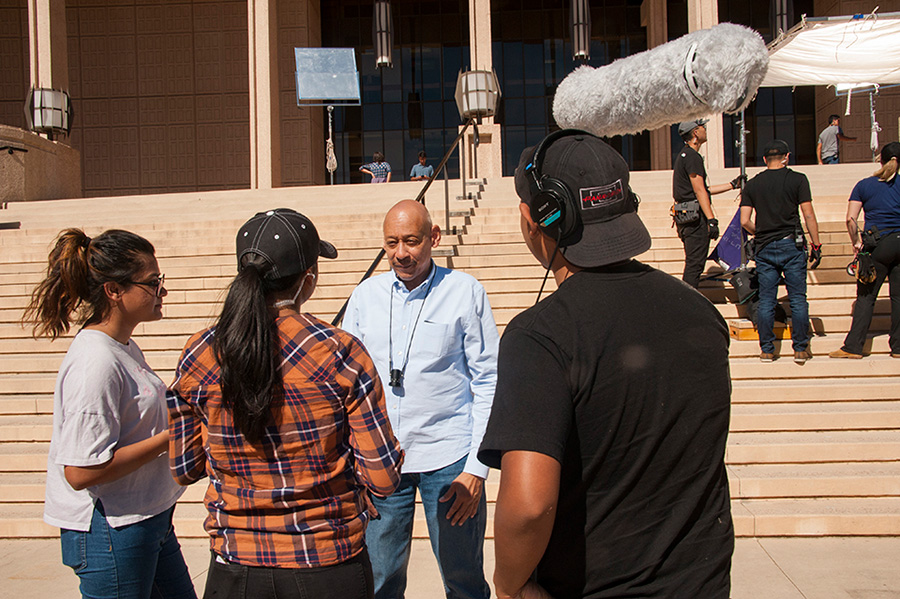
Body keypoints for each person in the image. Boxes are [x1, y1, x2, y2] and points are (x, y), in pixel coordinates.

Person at [478, 129, 734, 599]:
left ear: (537, 217)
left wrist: (509, 586)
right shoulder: (703, 313)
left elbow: (530, 506)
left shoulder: (541, 337)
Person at [167, 209, 403, 599]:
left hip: (235, 566)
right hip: (327, 562)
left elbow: (184, 467)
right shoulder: (340, 352)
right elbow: (383, 478)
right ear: (308, 279)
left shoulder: (200, 352)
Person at [23, 228, 195, 599]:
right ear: (114, 291)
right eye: (152, 283)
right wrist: (173, 437)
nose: (161, 291)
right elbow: (82, 471)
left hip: (148, 519)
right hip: (111, 531)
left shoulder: (123, 347)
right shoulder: (96, 362)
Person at [343, 200, 498, 599]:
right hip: (382, 465)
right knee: (379, 582)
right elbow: (347, 385)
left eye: (411, 241)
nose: (401, 253)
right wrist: (352, 464)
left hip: (449, 464)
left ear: (434, 238)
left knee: (463, 582)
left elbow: (488, 381)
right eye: (391, 242)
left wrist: (476, 470)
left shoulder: (465, 292)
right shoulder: (364, 297)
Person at [740, 140, 822, 363]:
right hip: (791, 244)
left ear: (765, 160)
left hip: (765, 247)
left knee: (766, 300)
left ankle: (767, 349)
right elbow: (808, 215)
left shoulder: (753, 185)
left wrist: (762, 231)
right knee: (798, 299)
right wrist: (816, 244)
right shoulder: (798, 179)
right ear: (786, 157)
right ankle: (800, 348)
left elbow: (744, 220)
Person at [829, 141, 900, 359]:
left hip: (877, 245)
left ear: (881, 159)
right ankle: (898, 348)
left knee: (866, 297)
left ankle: (853, 347)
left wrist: (856, 243)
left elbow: (851, 219)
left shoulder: (864, 185)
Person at [672, 118, 744, 288]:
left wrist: (732, 185)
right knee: (695, 264)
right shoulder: (692, 156)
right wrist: (711, 219)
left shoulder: (685, 155)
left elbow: (703, 189)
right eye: (702, 127)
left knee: (694, 262)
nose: (705, 129)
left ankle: (688, 301)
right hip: (695, 220)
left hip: (686, 216)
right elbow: (699, 191)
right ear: (695, 132)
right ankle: (688, 304)